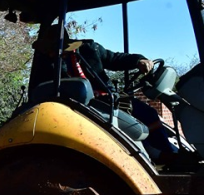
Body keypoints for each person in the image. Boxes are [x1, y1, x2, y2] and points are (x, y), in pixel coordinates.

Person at [29, 23, 177, 160]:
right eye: (47, 50)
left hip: (108, 98)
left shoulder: (90, 49)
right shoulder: (47, 64)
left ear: (65, 45)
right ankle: (149, 156)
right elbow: (42, 89)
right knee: (129, 126)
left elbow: (115, 58)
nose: (50, 54)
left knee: (148, 113)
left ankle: (166, 154)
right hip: (79, 106)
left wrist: (138, 60)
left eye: (52, 48)